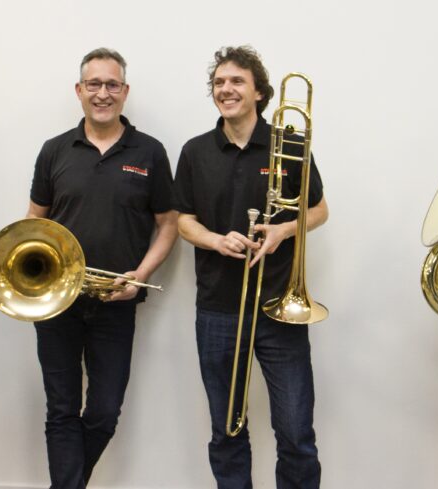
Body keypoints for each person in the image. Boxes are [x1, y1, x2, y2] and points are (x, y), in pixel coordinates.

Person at [174, 45, 329, 489]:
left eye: (236, 81)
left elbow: (319, 210)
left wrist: (283, 231)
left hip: (279, 308)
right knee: (226, 431)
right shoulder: (195, 151)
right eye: (219, 82)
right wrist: (215, 240)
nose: (226, 89)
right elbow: (183, 220)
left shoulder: (291, 145)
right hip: (218, 310)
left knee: (296, 434)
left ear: (259, 92)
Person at [25, 47, 178, 489]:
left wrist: (140, 276)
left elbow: (168, 224)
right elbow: (34, 221)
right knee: (61, 410)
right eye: (94, 84)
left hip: (116, 302)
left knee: (105, 412)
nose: (103, 93)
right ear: (79, 90)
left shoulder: (150, 152)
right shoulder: (54, 150)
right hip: (56, 302)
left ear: (125, 91)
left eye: (112, 84)